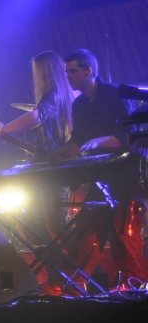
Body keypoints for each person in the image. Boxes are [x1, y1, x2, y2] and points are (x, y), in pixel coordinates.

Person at [51, 49, 145, 287]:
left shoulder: (116, 94)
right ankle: (69, 287)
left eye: (73, 71)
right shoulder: (79, 103)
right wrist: (59, 153)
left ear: (88, 71)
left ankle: (130, 288)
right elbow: (78, 140)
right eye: (66, 72)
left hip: (126, 175)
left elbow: (127, 136)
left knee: (124, 233)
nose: (68, 76)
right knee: (88, 232)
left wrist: (99, 141)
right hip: (100, 177)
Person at [0, 50, 73, 241]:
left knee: (52, 225)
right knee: (54, 221)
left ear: (44, 73)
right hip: (63, 164)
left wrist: (5, 129)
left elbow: (36, 116)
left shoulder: (52, 97)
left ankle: (59, 255)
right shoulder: (68, 95)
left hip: (52, 168)